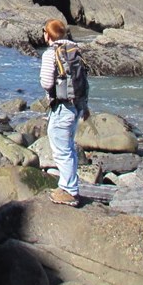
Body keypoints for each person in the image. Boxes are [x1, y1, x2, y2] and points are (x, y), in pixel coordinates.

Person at [39, 18, 90, 206]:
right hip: (76, 105)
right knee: (68, 146)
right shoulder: (74, 50)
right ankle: (68, 186)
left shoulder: (51, 54)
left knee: (62, 150)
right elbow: (84, 81)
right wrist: (84, 106)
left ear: (48, 34)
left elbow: (46, 82)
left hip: (62, 107)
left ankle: (69, 190)